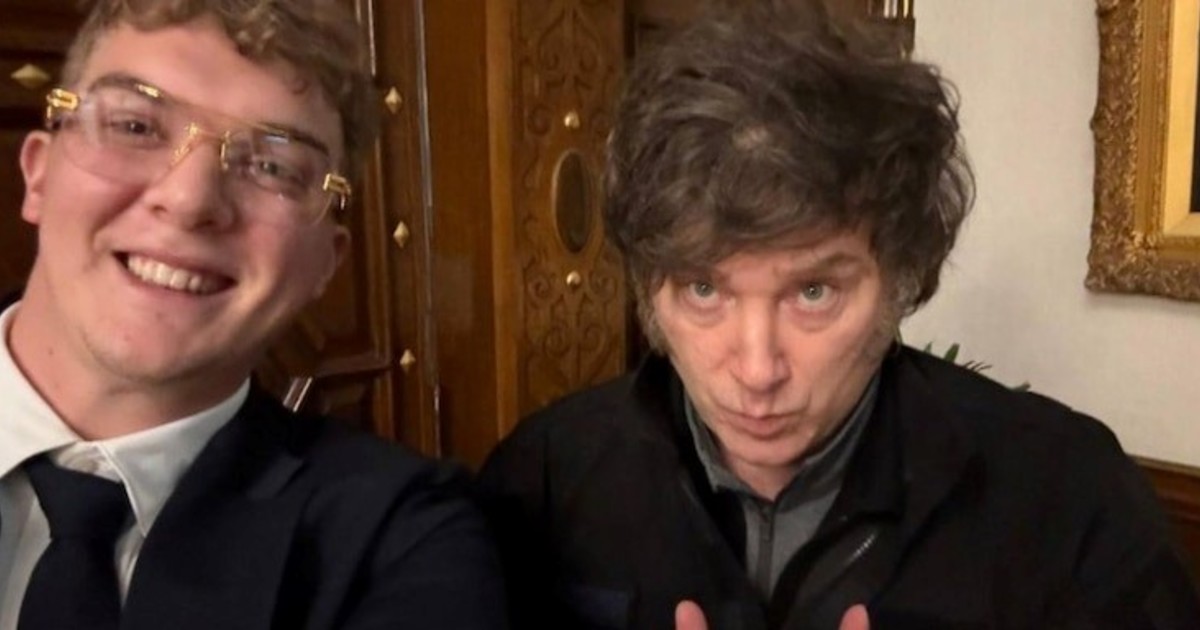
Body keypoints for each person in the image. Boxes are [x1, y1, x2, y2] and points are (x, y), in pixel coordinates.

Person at [476, 1, 1200, 628]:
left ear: (902, 278)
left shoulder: (1069, 500)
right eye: (703, 290)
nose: (756, 370)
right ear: (648, 291)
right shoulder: (542, 480)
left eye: (813, 292)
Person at [0, 1, 505, 628]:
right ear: (38, 175)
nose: (189, 200)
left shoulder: (400, 541)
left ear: (327, 263)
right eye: (136, 126)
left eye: (272, 167)